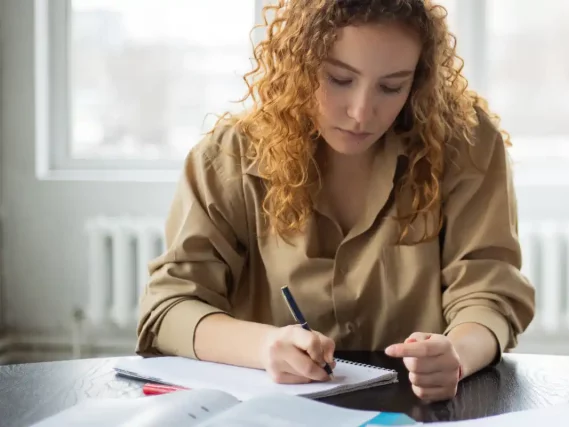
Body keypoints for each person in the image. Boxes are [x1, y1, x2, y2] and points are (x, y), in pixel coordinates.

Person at [135, 0, 535, 403]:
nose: (362, 112)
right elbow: (169, 307)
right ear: (299, 64)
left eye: (392, 86)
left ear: (419, 80)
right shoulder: (229, 158)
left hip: (416, 411)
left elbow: (489, 291)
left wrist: (457, 357)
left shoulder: (466, 144)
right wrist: (263, 346)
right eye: (339, 79)